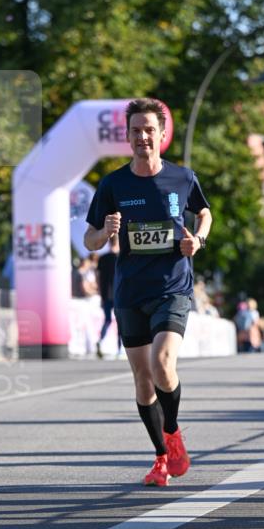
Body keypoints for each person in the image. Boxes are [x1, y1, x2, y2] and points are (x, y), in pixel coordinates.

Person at [84, 98, 212, 487]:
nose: (143, 136)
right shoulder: (113, 184)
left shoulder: (182, 178)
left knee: (162, 363)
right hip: (130, 292)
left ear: (161, 135)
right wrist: (105, 232)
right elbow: (89, 240)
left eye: (149, 130)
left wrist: (199, 240)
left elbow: (204, 213)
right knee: (142, 380)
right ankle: (161, 456)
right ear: (128, 136)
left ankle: (172, 432)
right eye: (136, 130)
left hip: (172, 286)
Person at [95, 240, 121, 358]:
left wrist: (101, 295)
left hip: (106, 294)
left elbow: (98, 278)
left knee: (107, 320)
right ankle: (119, 349)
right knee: (121, 322)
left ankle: (100, 341)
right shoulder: (120, 257)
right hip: (119, 294)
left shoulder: (102, 258)